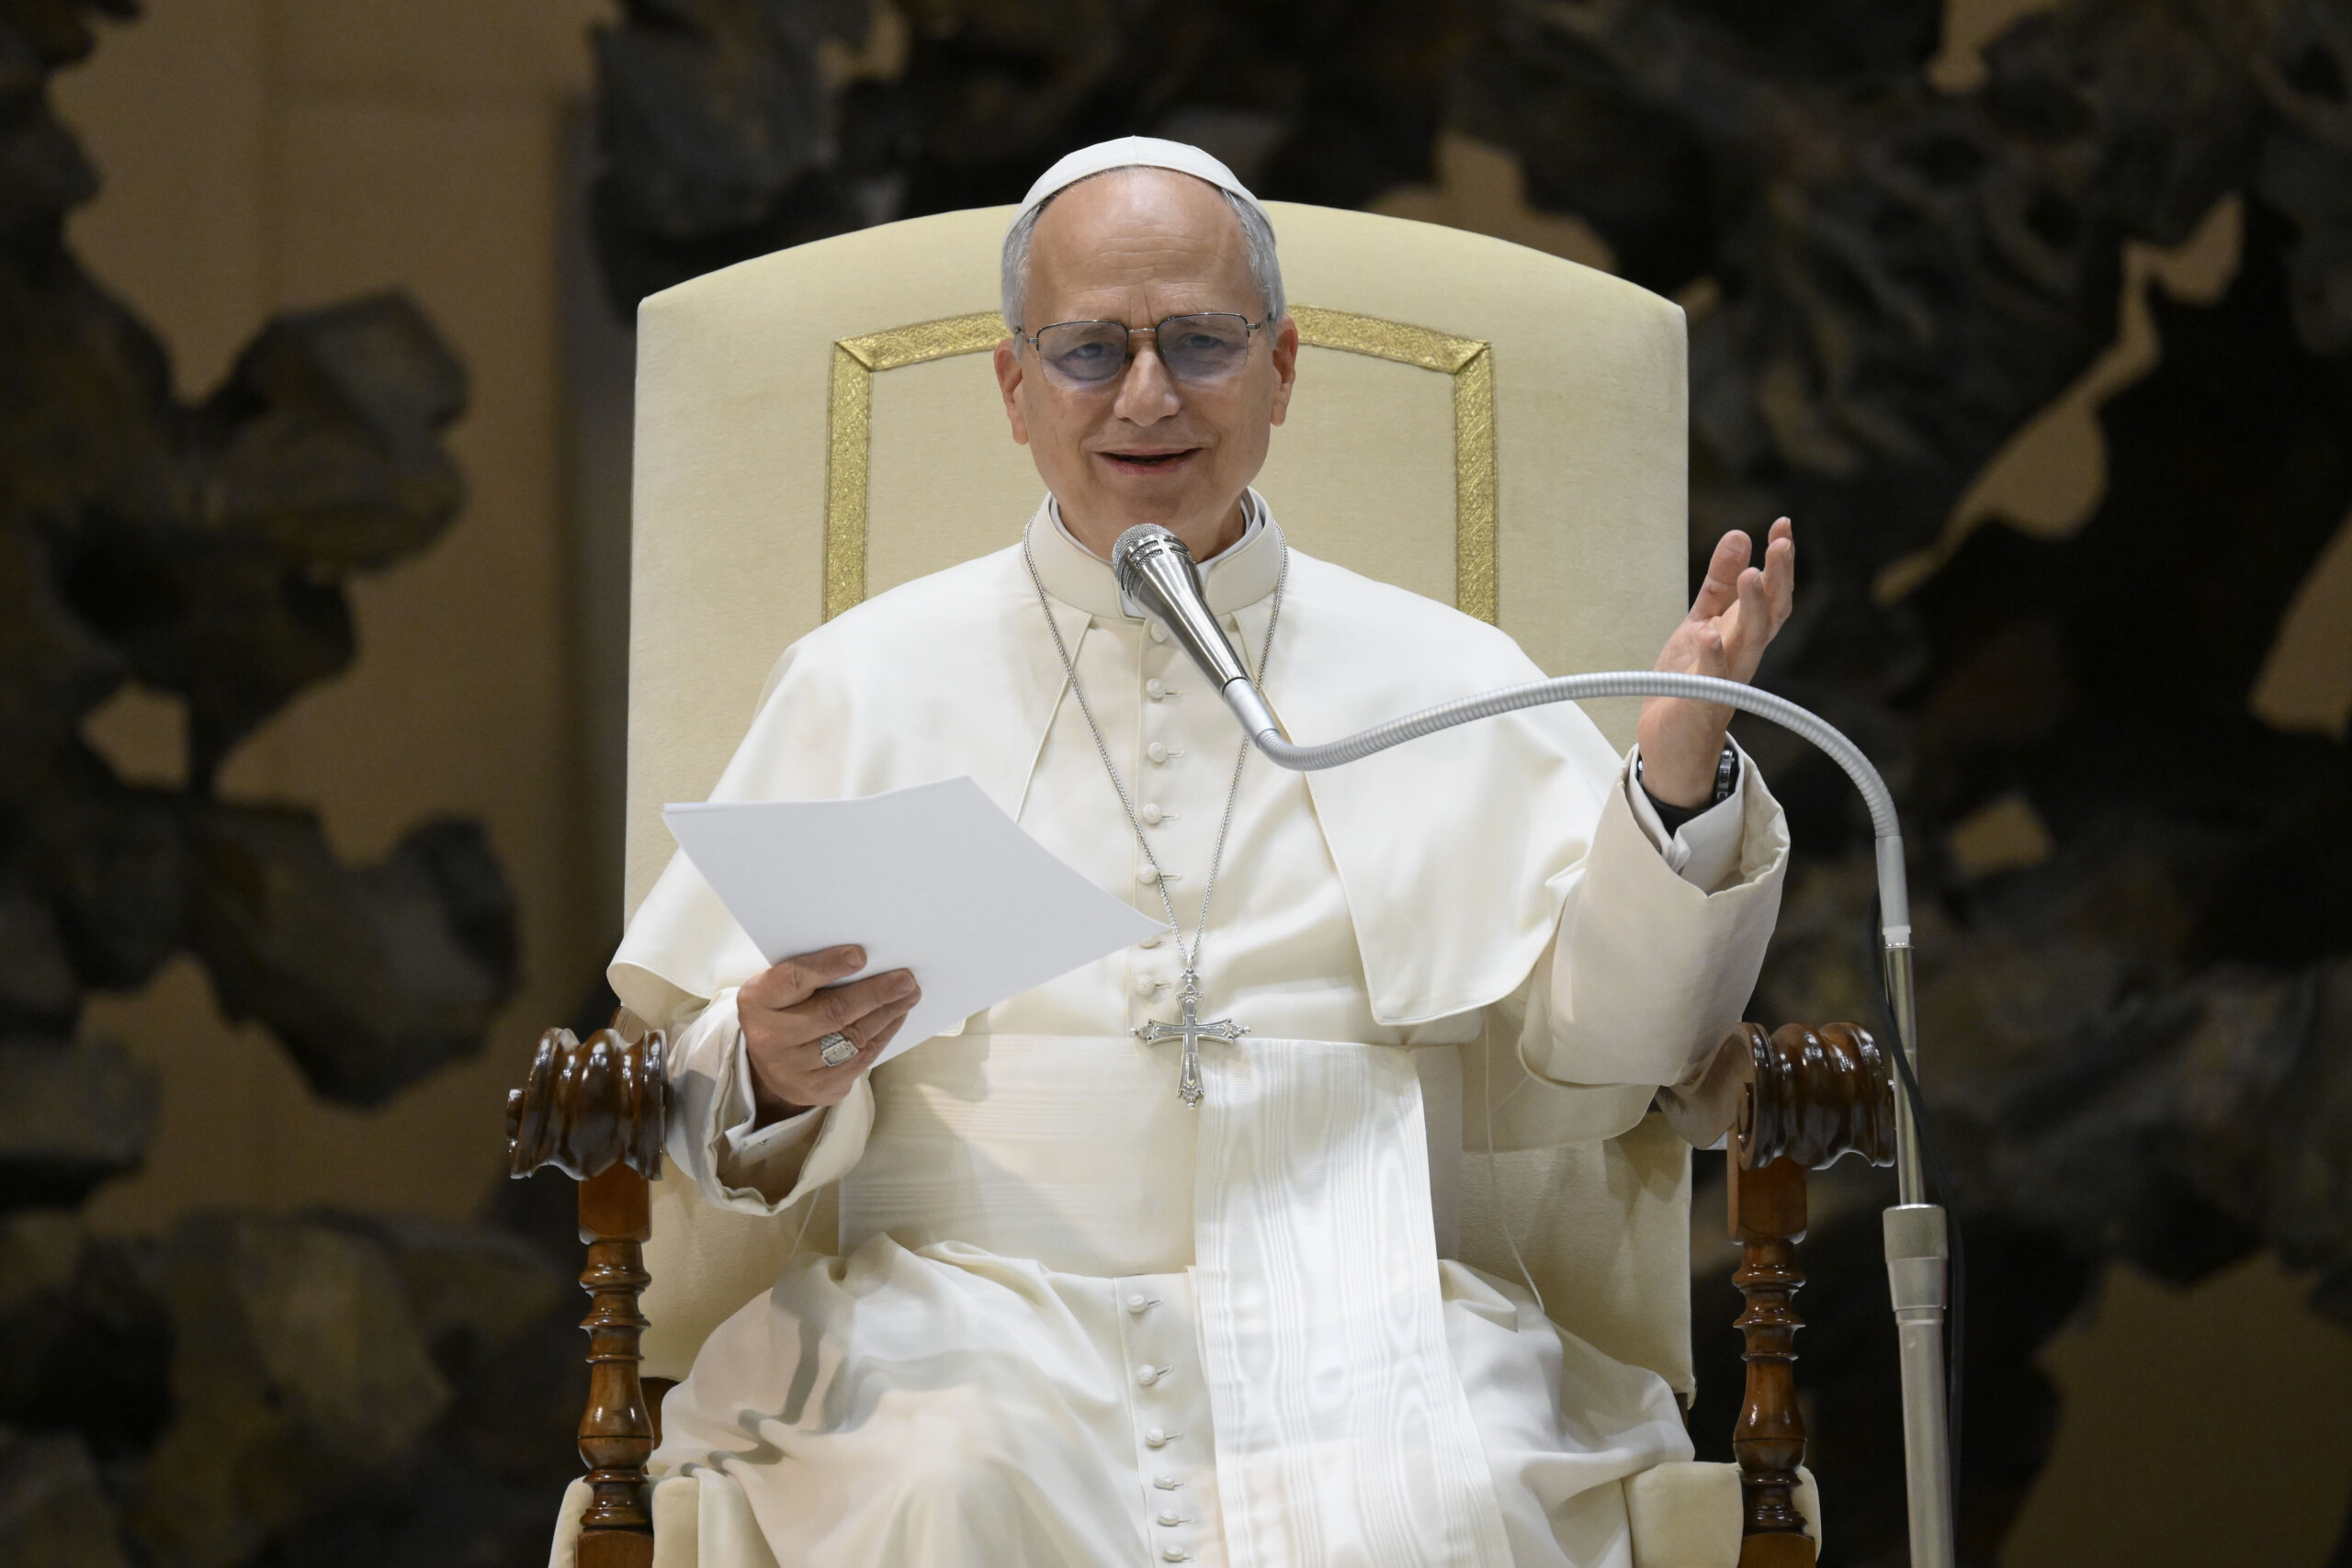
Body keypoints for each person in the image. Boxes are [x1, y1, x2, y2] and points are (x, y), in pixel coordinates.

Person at [614, 137, 1795, 1568]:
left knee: (1449, 1503)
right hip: (969, 1309)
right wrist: (771, 1074)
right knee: (941, 1482)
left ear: (1283, 367)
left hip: (1364, 1309)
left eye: (1201, 340)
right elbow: (679, 1076)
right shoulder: (865, 681)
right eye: (1089, 350)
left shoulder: (1446, 672)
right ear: (1015, 386)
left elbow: (1622, 1042)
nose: (1148, 396)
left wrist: (1673, 782)